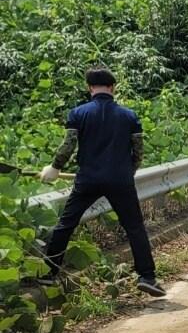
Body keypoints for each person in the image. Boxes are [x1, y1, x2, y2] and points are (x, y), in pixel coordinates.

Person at [40, 66, 165, 298]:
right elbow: (138, 151)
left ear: (90, 88)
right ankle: (147, 276)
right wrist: (129, 171)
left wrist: (55, 167)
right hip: (120, 179)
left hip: (88, 179)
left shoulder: (78, 113)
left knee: (66, 224)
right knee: (134, 227)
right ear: (113, 88)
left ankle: (49, 272)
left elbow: (68, 146)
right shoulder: (129, 116)